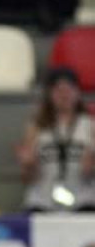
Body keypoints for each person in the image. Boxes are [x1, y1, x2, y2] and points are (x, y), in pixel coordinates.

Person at [17, 67, 95, 212]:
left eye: (69, 90)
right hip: (43, 199)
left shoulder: (90, 125)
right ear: (50, 95)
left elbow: (90, 171)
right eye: (58, 91)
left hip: (83, 199)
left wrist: (91, 165)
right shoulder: (36, 127)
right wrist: (29, 165)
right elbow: (27, 178)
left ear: (78, 93)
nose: (64, 95)